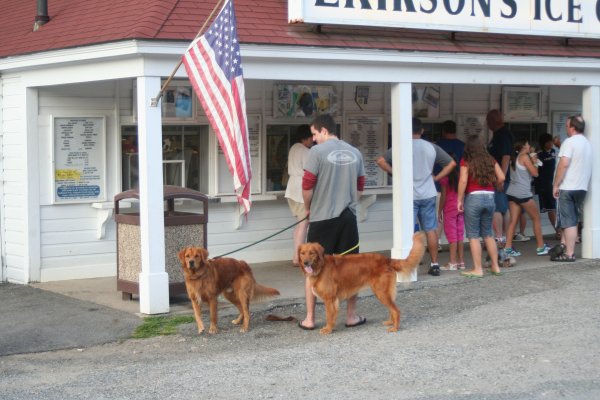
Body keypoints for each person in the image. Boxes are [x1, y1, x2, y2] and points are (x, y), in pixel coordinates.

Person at [299, 114, 366, 330]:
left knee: (311, 267)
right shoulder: (355, 152)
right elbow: (360, 186)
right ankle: (351, 316)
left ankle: (310, 318)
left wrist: (308, 208)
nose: (314, 138)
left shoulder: (316, 152)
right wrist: (351, 204)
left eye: (315, 134)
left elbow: (307, 185)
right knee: (351, 269)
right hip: (348, 218)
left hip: (322, 218)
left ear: (324, 131)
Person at [377, 117, 456, 276]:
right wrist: (436, 177)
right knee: (431, 230)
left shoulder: (401, 146)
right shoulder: (431, 147)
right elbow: (451, 163)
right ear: (422, 130)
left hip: (409, 195)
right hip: (428, 193)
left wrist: (396, 173)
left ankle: (411, 263)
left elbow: (380, 161)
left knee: (410, 231)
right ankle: (434, 264)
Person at [457, 135, 505, 277]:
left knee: (473, 235)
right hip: (490, 197)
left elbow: (463, 181)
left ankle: (478, 269)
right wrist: (494, 184)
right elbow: (502, 177)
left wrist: (459, 199)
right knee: (488, 234)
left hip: (473, 198)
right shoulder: (490, 159)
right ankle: (496, 267)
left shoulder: (466, 160)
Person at [550, 115, 592, 262]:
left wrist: (556, 184)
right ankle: (563, 245)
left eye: (567, 126)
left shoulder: (569, 142)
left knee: (569, 222)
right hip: (582, 187)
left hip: (568, 186)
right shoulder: (586, 142)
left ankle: (569, 253)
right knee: (573, 219)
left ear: (573, 128)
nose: (566, 129)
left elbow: (564, 164)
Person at [503, 140, 551, 257]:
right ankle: (540, 247)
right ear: (524, 146)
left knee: (513, 221)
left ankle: (508, 248)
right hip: (523, 193)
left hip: (512, 192)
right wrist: (534, 162)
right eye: (528, 144)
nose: (530, 146)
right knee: (536, 218)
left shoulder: (514, 157)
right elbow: (535, 173)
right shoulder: (524, 157)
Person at [284, 125, 313, 267]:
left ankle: (295, 255)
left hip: (291, 188)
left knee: (299, 224)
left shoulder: (293, 148)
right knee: (304, 224)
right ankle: (297, 257)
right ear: (305, 138)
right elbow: (310, 172)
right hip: (301, 189)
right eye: (310, 138)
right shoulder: (305, 151)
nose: (312, 141)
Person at [435, 120, 465, 251]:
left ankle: (437, 242)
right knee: (457, 220)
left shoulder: (437, 146)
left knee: (439, 215)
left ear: (443, 131)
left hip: (438, 183)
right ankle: (457, 245)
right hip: (458, 187)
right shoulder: (463, 146)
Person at [486, 109, 514, 246]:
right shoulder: (497, 134)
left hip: (500, 178)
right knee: (502, 207)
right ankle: (504, 237)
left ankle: (500, 238)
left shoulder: (503, 134)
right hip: (497, 177)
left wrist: (501, 178)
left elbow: (506, 156)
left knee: (498, 208)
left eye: (488, 121)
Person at [438, 153, 465, 271]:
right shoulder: (460, 176)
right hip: (460, 208)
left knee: (452, 236)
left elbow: (443, 196)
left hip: (449, 208)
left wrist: (439, 210)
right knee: (460, 235)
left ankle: (452, 263)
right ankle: (461, 262)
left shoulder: (445, 178)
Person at [535, 133, 560, 240]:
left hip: (554, 183)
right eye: (547, 142)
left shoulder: (554, 152)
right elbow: (536, 171)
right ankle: (558, 231)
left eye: (551, 141)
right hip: (544, 185)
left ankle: (560, 230)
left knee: (557, 207)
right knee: (551, 209)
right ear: (543, 143)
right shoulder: (539, 155)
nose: (550, 143)